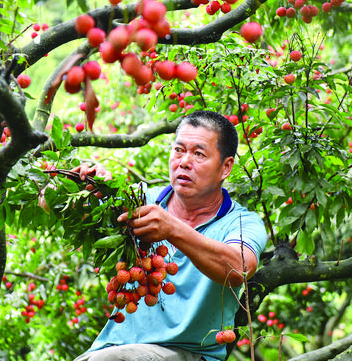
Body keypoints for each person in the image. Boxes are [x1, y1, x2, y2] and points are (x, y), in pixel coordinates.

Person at [73, 110, 268, 361]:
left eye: (198, 153)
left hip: (187, 353)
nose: (184, 161)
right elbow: (53, 204)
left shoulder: (241, 223)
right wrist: (89, 188)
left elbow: (238, 268)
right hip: (111, 348)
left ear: (226, 167)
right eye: (178, 150)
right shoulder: (139, 201)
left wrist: (173, 229)